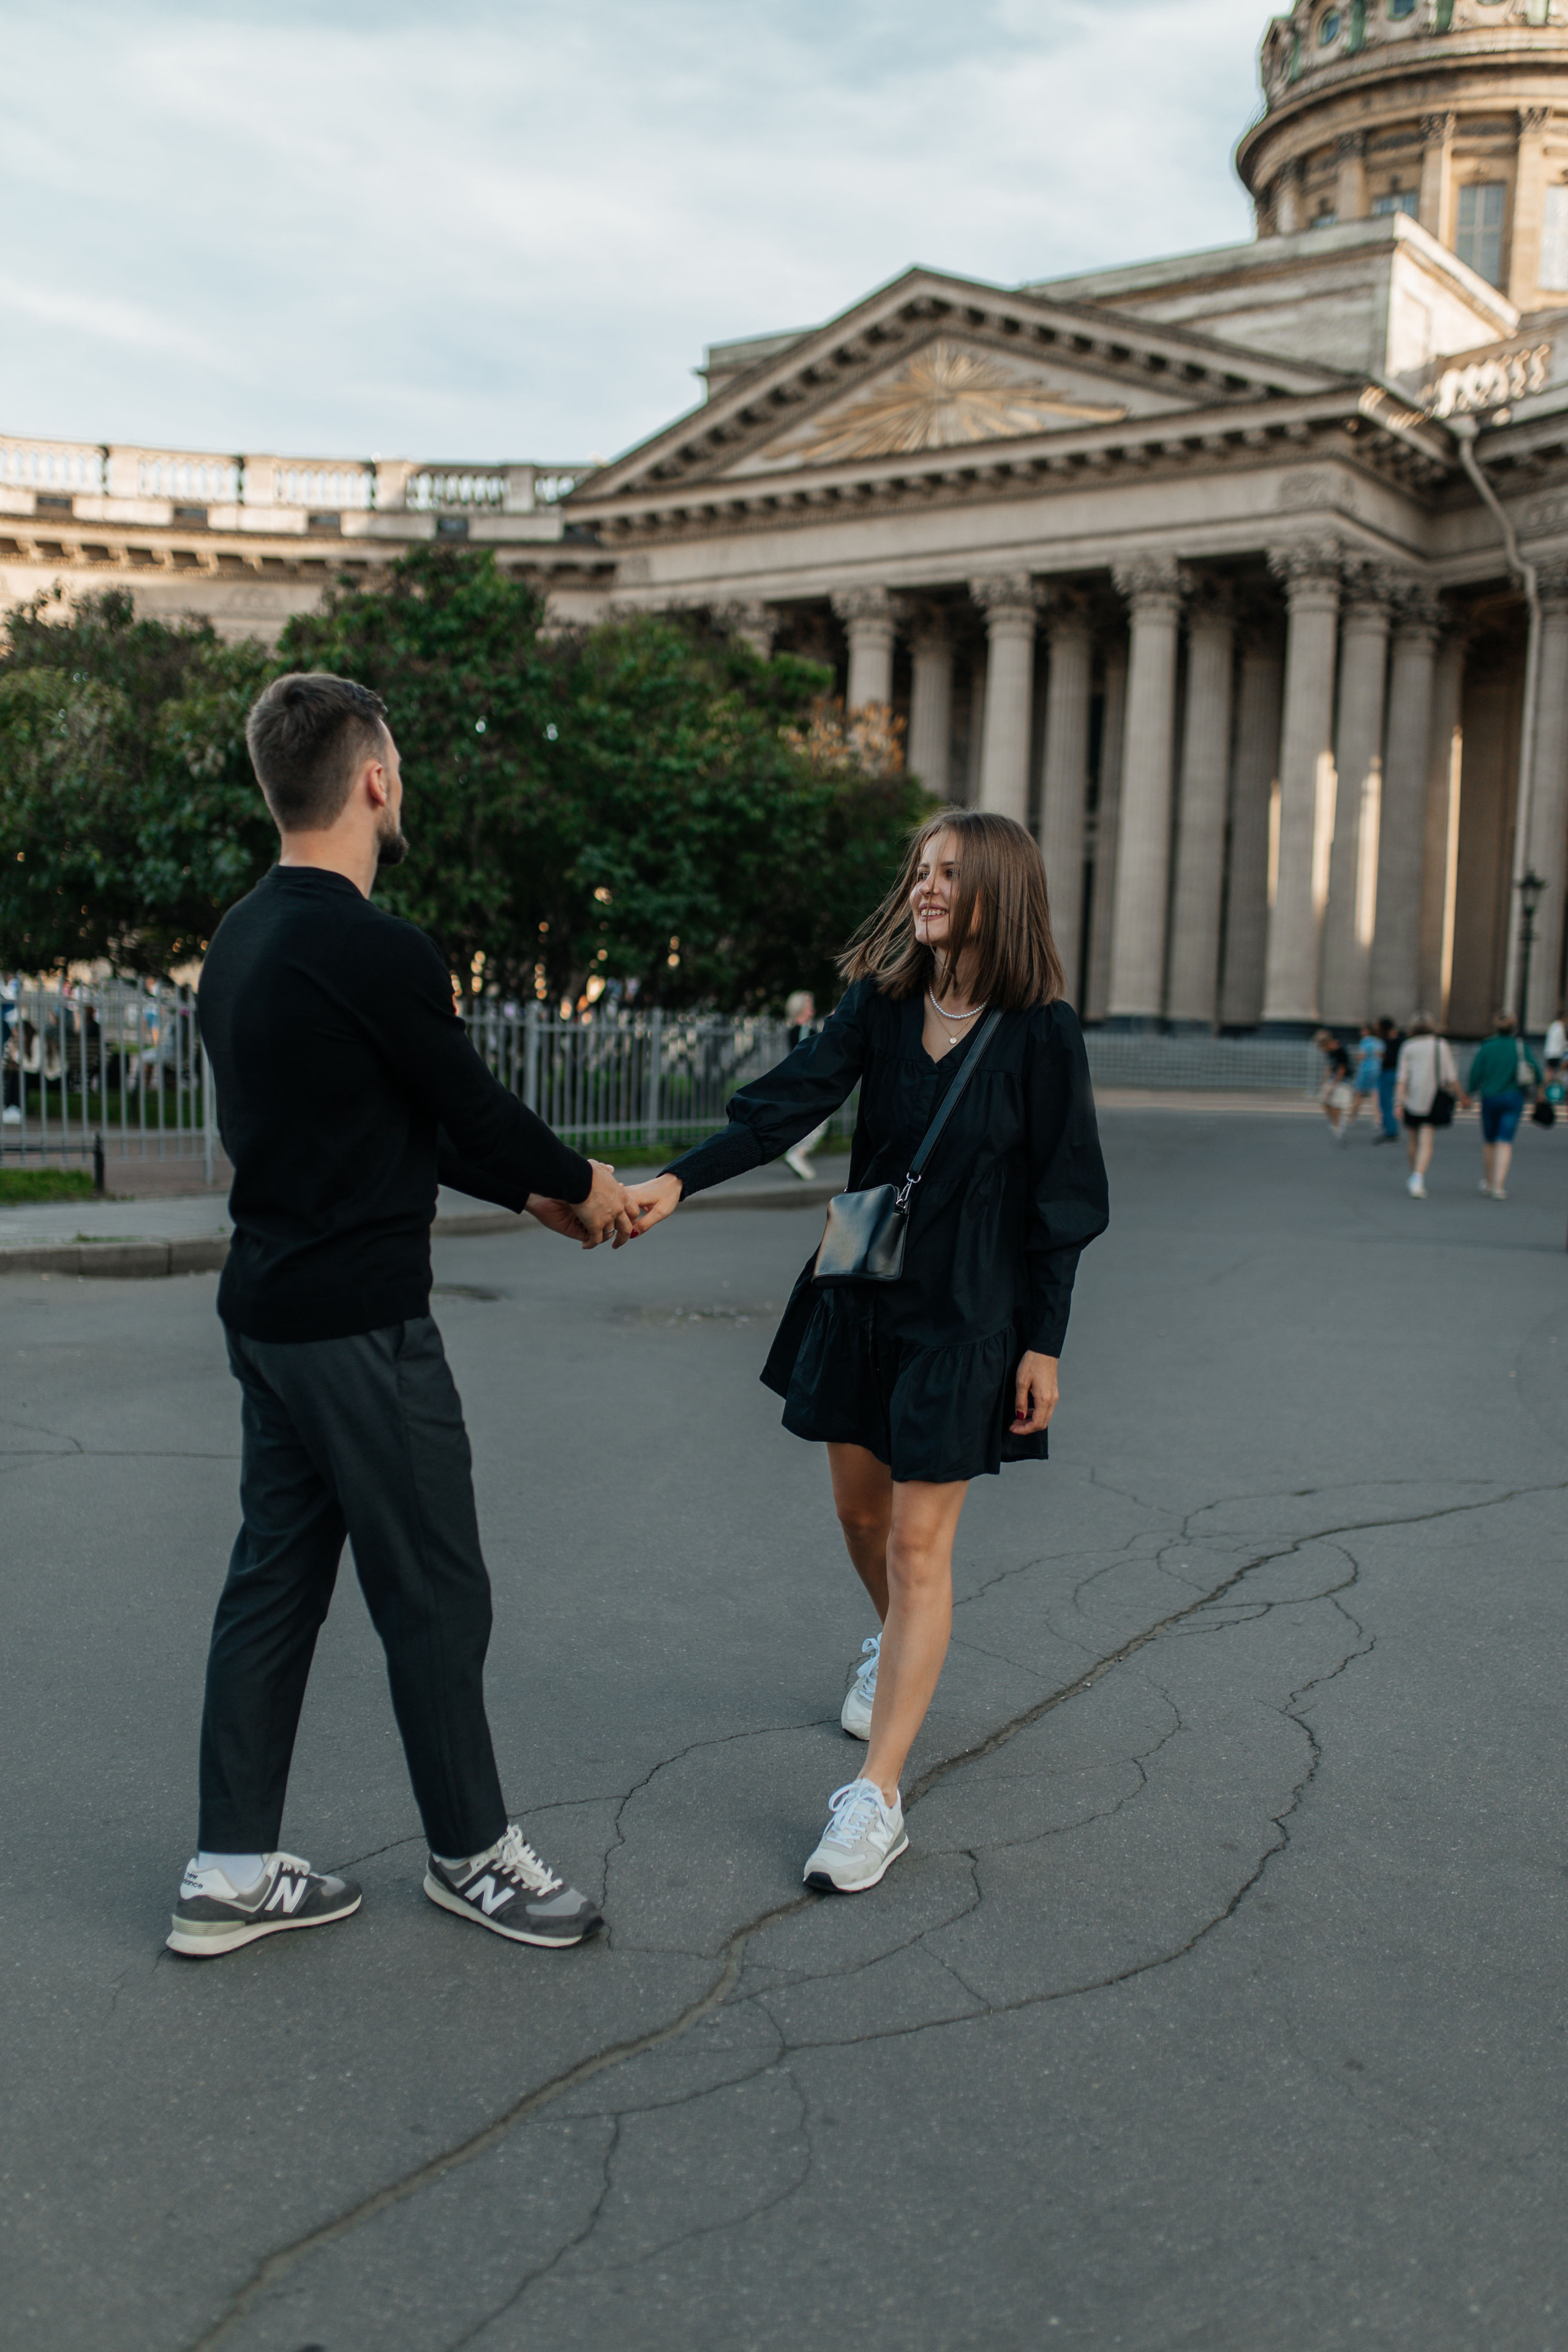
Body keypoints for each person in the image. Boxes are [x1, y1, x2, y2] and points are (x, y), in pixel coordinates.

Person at [170, 671, 633, 1962]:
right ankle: (472, 1855)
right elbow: (469, 1108)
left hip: (267, 1313)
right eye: (402, 767)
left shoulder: (243, 936)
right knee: (435, 1591)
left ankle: (229, 1871)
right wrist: (589, 1187)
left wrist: (540, 1199)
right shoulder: (372, 945)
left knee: (272, 1585)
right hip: (360, 1329)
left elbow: (391, 1124)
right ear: (372, 778)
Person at [625, 810, 1109, 1896]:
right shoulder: (882, 1007)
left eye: (947, 873)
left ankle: (877, 1797)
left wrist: (1046, 1345)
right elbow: (785, 1104)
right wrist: (675, 1181)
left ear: (998, 888)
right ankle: (898, 1650)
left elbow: (1062, 1204)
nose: (925, 888)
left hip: (969, 1322)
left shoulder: (1042, 1032)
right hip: (861, 1296)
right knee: (861, 1517)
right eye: (921, 871)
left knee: (921, 1548)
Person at [1466, 1011, 1541, 1200]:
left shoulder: (1487, 1046)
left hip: (1490, 1097)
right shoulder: (1520, 1047)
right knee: (1505, 1141)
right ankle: (1499, 1186)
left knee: (1490, 1141)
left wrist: (1469, 1093)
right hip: (1513, 1097)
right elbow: (1537, 1072)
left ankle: (1489, 1181)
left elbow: (1476, 1072)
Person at [1394, 1011, 1467, 1199]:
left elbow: (1401, 1078)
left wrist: (1399, 1102)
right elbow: (1451, 1076)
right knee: (1426, 1142)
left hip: (1412, 1099)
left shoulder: (1407, 1046)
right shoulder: (1440, 1045)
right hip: (1432, 1099)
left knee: (1412, 1141)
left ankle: (1413, 1174)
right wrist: (1463, 1097)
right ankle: (1418, 1178)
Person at [782, 989, 831, 1182]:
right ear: (802, 1008)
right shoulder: (804, 1030)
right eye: (809, 1004)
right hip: (809, 1083)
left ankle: (797, 1155)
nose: (812, 1007)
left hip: (802, 1082)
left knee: (808, 1121)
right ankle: (797, 1154)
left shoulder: (796, 1029)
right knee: (820, 1122)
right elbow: (808, 1057)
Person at [1314, 1028, 1354, 1141]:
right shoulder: (1330, 1052)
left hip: (1344, 1079)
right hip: (1334, 1078)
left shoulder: (1340, 1050)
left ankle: (1338, 1125)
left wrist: (1334, 1085)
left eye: (1323, 1047)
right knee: (1324, 1101)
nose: (1323, 1050)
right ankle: (1336, 1123)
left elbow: (1342, 1069)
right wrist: (1324, 1080)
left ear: (1327, 1044)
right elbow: (1330, 1067)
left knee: (1336, 1104)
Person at [1348, 1021, 1383, 1135]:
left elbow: (1361, 1056)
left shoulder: (1365, 1041)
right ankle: (1378, 1119)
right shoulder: (1379, 1042)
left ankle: (1352, 1117)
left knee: (1359, 1094)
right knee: (1375, 1094)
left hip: (1365, 1070)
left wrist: (1357, 1059)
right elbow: (1381, 1055)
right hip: (1376, 1069)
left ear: (1367, 1031)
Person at [1374, 1016, 1403, 1144]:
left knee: (1386, 1102)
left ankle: (1390, 1131)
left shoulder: (1387, 1041)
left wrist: (1382, 1056)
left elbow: (1389, 1057)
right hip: (1395, 1072)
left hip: (1388, 1072)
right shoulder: (1401, 1039)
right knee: (1387, 1102)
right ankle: (1389, 1129)